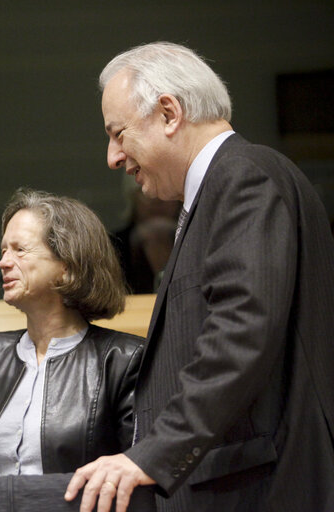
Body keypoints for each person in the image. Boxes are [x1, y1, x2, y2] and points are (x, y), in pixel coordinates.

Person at [65, 42, 334, 512]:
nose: (113, 156)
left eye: (118, 133)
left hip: (265, 491)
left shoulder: (244, 177)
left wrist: (153, 453)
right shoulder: (221, 187)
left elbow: (241, 330)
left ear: (169, 112)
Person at [0, 188, 148, 482]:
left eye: (20, 249)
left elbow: (138, 470)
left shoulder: (124, 361)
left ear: (67, 267)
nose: (4, 262)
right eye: (4, 250)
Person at [112, 175, 181, 293]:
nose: (157, 200)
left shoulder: (198, 241)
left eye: (165, 192)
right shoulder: (111, 247)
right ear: (132, 198)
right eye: (146, 193)